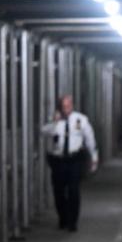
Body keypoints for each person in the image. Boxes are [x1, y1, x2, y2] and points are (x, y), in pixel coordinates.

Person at [41, 95, 99, 232]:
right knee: (58, 191)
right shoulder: (54, 121)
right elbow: (43, 131)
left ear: (72, 105)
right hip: (58, 160)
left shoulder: (81, 120)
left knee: (74, 191)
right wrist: (55, 123)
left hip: (74, 159)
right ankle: (63, 217)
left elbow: (89, 139)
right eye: (63, 106)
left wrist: (94, 157)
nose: (66, 109)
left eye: (68, 106)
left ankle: (73, 221)